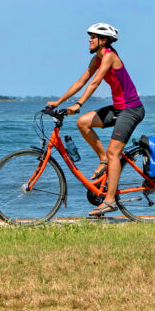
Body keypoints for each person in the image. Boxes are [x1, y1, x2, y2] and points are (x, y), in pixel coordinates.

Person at [47, 23, 145, 216]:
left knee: (113, 152)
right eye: (90, 36)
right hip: (118, 108)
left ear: (104, 40)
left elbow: (95, 82)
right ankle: (103, 160)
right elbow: (81, 81)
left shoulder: (109, 56)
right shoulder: (96, 59)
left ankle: (109, 202)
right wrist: (58, 102)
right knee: (83, 123)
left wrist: (79, 104)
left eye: (93, 36)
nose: (89, 40)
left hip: (131, 110)